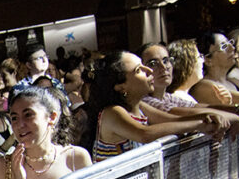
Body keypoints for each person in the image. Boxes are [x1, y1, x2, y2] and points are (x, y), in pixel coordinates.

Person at [90, 50, 224, 161]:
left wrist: (208, 118)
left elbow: (173, 120)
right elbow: (145, 134)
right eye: (138, 70)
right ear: (121, 87)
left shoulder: (140, 106)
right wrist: (199, 124)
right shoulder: (112, 112)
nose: (148, 70)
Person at [0, 87, 91, 179]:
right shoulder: (1, 168)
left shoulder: (75, 157)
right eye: (14, 118)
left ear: (52, 117)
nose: (20, 124)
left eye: (28, 115)